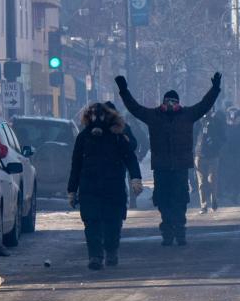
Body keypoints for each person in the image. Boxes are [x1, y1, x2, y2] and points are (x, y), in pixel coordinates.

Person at [115, 72, 221, 247]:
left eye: (173, 101)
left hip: (180, 167)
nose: (170, 104)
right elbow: (135, 108)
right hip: (162, 167)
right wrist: (123, 90)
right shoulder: (154, 116)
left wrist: (215, 89)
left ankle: (180, 232)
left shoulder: (187, 115)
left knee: (179, 201)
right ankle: (167, 233)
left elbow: (204, 105)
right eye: (167, 101)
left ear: (178, 103)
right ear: (163, 102)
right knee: (163, 202)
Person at [68, 102, 143, 270]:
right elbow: (76, 165)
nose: (97, 120)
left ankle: (111, 251)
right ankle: (95, 256)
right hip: (89, 188)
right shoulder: (83, 137)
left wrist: (135, 179)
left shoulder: (117, 136)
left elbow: (130, 158)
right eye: (94, 116)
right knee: (92, 223)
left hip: (113, 188)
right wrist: (72, 190)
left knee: (113, 223)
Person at [194, 109, 226, 214]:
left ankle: (214, 200)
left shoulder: (217, 122)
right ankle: (203, 205)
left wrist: (215, 144)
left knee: (212, 179)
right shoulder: (197, 121)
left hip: (213, 155)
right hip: (199, 154)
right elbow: (192, 136)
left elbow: (223, 138)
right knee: (201, 183)